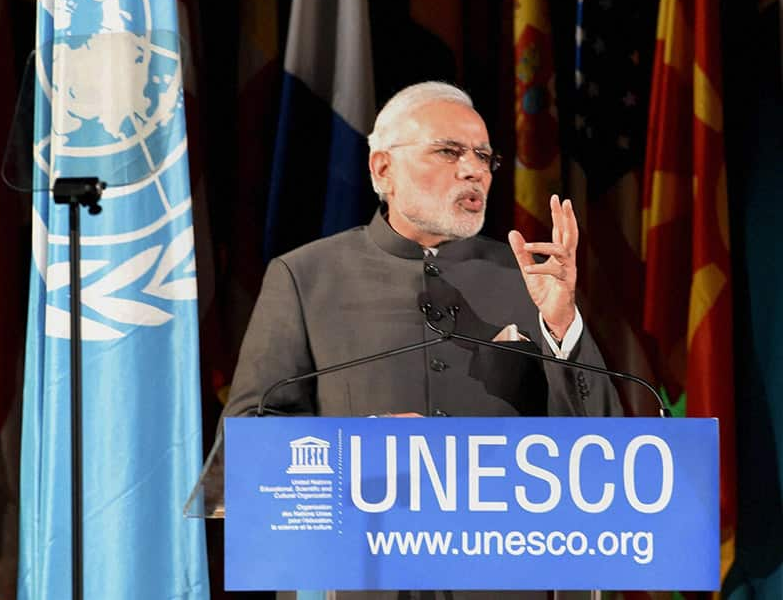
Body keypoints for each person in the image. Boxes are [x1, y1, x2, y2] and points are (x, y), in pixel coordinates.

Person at [221, 82, 622, 600]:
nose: (474, 169)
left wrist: (563, 323)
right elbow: (246, 449)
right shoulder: (306, 277)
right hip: (358, 578)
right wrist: (358, 450)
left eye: (484, 156)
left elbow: (606, 448)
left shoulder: (532, 280)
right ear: (383, 170)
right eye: (449, 151)